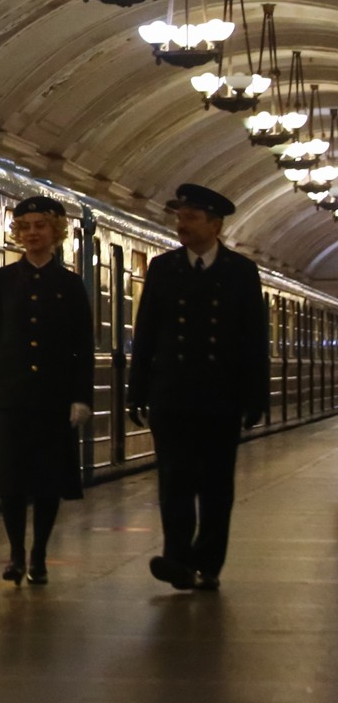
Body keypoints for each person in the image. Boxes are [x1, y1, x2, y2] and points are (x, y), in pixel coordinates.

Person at [127, 182, 269, 591]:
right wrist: (137, 391)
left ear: (215, 225)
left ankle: (208, 564)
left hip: (221, 397)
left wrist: (255, 397)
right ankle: (177, 560)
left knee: (216, 485)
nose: (181, 225)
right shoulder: (163, 268)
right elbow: (146, 333)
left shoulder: (241, 271)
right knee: (174, 481)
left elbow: (253, 338)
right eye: (179, 218)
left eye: (190, 218)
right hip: (172, 395)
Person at [0, 195, 94, 586]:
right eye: (25, 227)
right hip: (10, 398)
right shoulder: (2, 281)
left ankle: (39, 553)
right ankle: (16, 554)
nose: (33, 233)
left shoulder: (70, 285)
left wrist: (81, 397)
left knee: (48, 482)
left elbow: (82, 347)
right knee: (12, 482)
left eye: (40, 226)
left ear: (55, 232)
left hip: (53, 400)